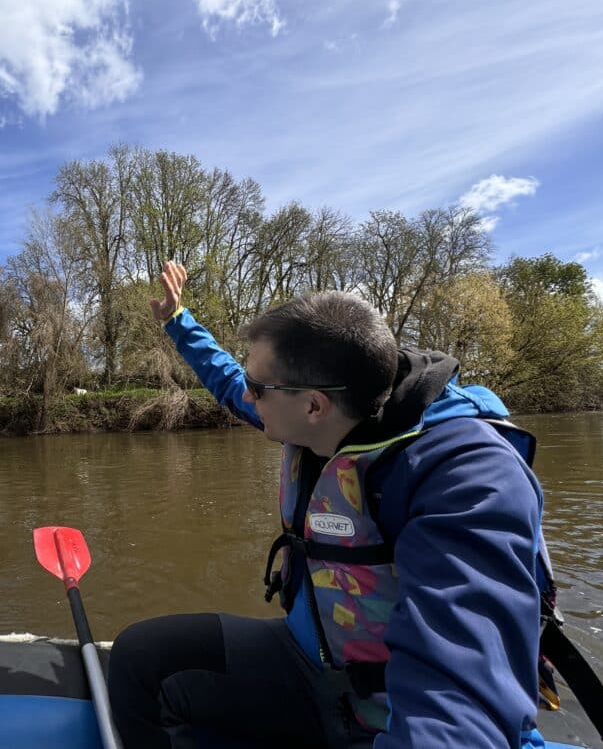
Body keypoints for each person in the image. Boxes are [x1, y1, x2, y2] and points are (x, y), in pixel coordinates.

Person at [107, 260, 551, 748]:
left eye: (258, 389)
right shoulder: (318, 412)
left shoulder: (467, 475)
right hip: (309, 662)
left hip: (388, 712)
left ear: (314, 405)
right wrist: (177, 320)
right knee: (140, 658)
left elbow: (458, 699)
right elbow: (228, 379)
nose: (246, 396)